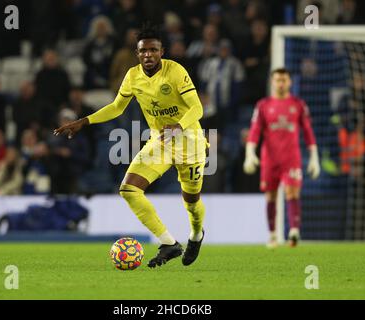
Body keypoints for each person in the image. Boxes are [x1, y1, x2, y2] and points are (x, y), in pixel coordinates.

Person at [54, 23, 207, 268]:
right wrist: (85, 120)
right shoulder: (132, 76)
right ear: (138, 53)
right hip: (161, 142)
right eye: (143, 51)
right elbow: (116, 107)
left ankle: (196, 234)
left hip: (191, 142)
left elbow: (197, 108)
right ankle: (169, 243)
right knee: (128, 190)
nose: (148, 55)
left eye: (153, 50)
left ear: (162, 51)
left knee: (191, 202)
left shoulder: (176, 71)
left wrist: (178, 125)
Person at [243, 68, 320, 248]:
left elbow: (308, 132)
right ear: (272, 82)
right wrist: (249, 153)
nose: (281, 83)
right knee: (270, 196)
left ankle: (294, 232)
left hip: (291, 157)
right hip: (269, 158)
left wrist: (314, 157)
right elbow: (254, 131)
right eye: (278, 80)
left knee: (292, 192)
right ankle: (272, 235)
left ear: (290, 82)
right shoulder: (263, 105)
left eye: (284, 80)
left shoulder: (298, 104)